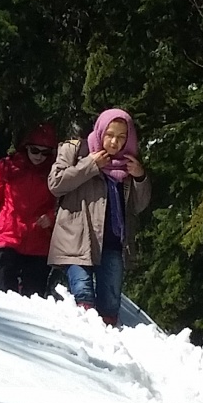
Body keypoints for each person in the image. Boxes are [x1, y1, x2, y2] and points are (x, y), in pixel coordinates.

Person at [47, 109, 151, 327]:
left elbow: (138, 206)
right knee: (83, 294)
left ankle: (106, 350)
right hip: (76, 239)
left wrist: (140, 177)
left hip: (113, 243)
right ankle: (80, 343)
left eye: (122, 136)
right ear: (100, 131)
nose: (114, 141)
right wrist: (90, 165)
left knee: (110, 306)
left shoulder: (129, 163)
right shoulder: (75, 150)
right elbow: (55, 184)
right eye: (110, 134)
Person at [0, 123, 59, 296]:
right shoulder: (7, 166)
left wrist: (51, 217)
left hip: (39, 241)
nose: (40, 156)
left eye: (45, 152)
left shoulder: (55, 172)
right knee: (6, 291)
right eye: (35, 150)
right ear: (25, 147)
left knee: (34, 296)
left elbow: (63, 203)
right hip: (7, 235)